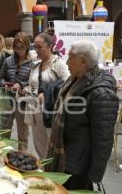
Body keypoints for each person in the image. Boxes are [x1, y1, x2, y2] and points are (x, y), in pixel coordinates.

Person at [46, 40, 119, 191]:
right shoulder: (75, 80)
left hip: (78, 166)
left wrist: (95, 175)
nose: (66, 62)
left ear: (83, 61)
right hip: (65, 158)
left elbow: (103, 140)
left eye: (70, 57)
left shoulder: (102, 94)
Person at [26, 28, 70, 159]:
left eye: (39, 47)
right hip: (35, 110)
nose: (36, 50)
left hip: (51, 111)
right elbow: (32, 85)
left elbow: (68, 85)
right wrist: (25, 90)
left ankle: (53, 173)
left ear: (50, 46)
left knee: (52, 145)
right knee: (39, 145)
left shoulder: (59, 64)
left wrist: (48, 93)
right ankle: (44, 173)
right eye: (35, 46)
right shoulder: (35, 65)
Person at [0, 32, 33, 150]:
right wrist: (5, 84)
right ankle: (3, 157)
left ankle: (21, 159)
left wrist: (22, 85)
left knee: (23, 134)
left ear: (27, 47)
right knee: (4, 131)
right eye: (16, 48)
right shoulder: (8, 61)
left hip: (23, 102)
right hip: (8, 100)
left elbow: (33, 82)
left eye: (22, 48)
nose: (19, 51)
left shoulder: (32, 63)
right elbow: (0, 78)